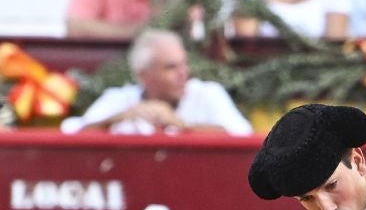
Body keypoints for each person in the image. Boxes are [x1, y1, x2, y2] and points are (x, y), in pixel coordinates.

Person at [61, 29, 252, 135]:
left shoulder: (208, 93)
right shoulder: (120, 98)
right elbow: (71, 133)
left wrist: (179, 124)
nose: (183, 73)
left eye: (183, 64)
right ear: (144, 75)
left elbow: (243, 136)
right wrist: (119, 118)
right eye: (171, 67)